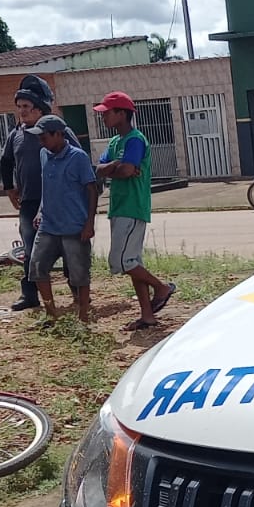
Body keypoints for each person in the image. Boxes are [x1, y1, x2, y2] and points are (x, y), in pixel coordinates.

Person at [92, 91, 174, 331]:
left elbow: (127, 171)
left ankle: (161, 287)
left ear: (121, 113)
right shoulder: (116, 142)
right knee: (132, 262)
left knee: (122, 261)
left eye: (107, 113)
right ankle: (147, 315)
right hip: (119, 206)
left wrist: (115, 168)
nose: (104, 117)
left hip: (132, 206)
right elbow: (100, 168)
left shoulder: (135, 140)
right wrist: (115, 166)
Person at [0, 74, 80, 312]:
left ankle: (77, 292)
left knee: (67, 248)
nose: (22, 111)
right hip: (30, 201)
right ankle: (30, 295)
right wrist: (9, 188)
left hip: (60, 202)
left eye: (27, 107)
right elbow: (5, 162)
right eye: (20, 107)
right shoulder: (16, 134)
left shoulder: (59, 132)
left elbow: (79, 159)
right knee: (31, 249)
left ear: (41, 108)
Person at [26, 115, 97, 323]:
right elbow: (47, 187)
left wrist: (89, 223)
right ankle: (51, 314)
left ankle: (84, 315)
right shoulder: (43, 155)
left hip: (74, 226)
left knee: (79, 273)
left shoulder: (78, 157)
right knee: (37, 267)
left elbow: (91, 189)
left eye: (44, 137)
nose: (41, 141)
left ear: (58, 134)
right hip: (48, 225)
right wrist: (40, 210)